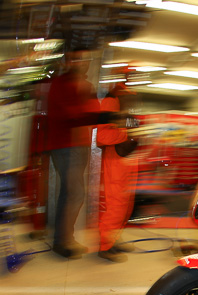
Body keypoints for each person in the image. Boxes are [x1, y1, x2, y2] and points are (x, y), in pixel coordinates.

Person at [45, 47, 102, 259]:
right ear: (69, 62)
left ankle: (64, 238)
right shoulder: (61, 84)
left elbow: (93, 114)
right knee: (75, 193)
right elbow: (72, 115)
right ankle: (62, 241)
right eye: (77, 59)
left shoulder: (85, 85)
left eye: (85, 59)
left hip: (79, 146)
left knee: (70, 193)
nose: (83, 63)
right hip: (65, 145)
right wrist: (86, 107)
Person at [96, 81, 140, 263]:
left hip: (127, 161)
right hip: (116, 162)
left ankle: (114, 238)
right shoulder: (111, 100)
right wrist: (126, 134)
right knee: (116, 205)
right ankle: (105, 247)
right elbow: (102, 136)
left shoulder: (126, 98)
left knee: (126, 205)